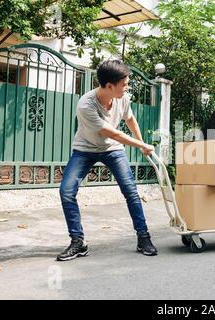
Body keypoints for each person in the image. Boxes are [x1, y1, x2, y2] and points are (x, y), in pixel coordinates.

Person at [57, 60, 157, 261]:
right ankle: (78, 242)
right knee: (66, 191)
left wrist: (141, 141)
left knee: (131, 192)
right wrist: (141, 146)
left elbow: (130, 120)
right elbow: (113, 133)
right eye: (124, 84)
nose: (127, 87)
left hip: (113, 150)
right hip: (85, 149)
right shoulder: (86, 105)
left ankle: (143, 237)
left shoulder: (123, 98)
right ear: (109, 86)